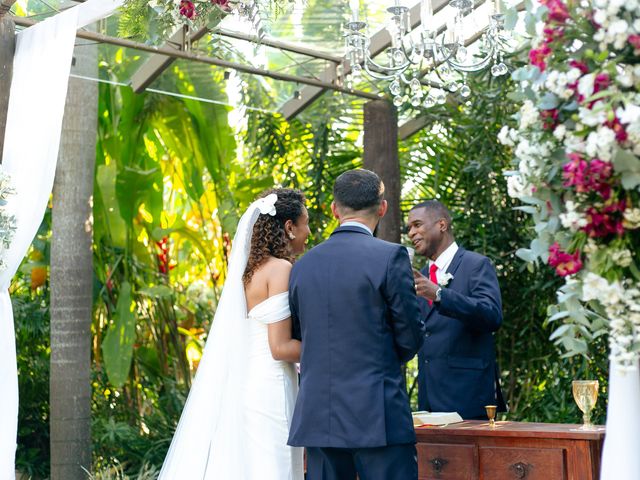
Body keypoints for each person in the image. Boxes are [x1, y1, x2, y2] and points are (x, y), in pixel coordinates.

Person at [159, 188, 310, 479]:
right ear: (289, 228)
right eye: (305, 223)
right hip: (273, 385)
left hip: (251, 383)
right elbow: (279, 347)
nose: (309, 231)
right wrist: (333, 350)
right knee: (275, 469)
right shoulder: (280, 269)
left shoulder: (250, 272)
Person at [288, 169, 425, 480]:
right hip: (379, 413)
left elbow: (300, 334)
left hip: (318, 417)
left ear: (335, 209)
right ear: (383, 208)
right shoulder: (391, 257)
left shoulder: (302, 266)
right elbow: (410, 335)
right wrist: (382, 361)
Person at [407, 200, 507, 420]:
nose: (411, 233)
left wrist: (441, 295)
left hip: (468, 397)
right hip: (428, 400)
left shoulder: (476, 265)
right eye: (409, 229)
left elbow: (492, 315)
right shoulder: (420, 275)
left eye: (417, 225)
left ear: (441, 225)